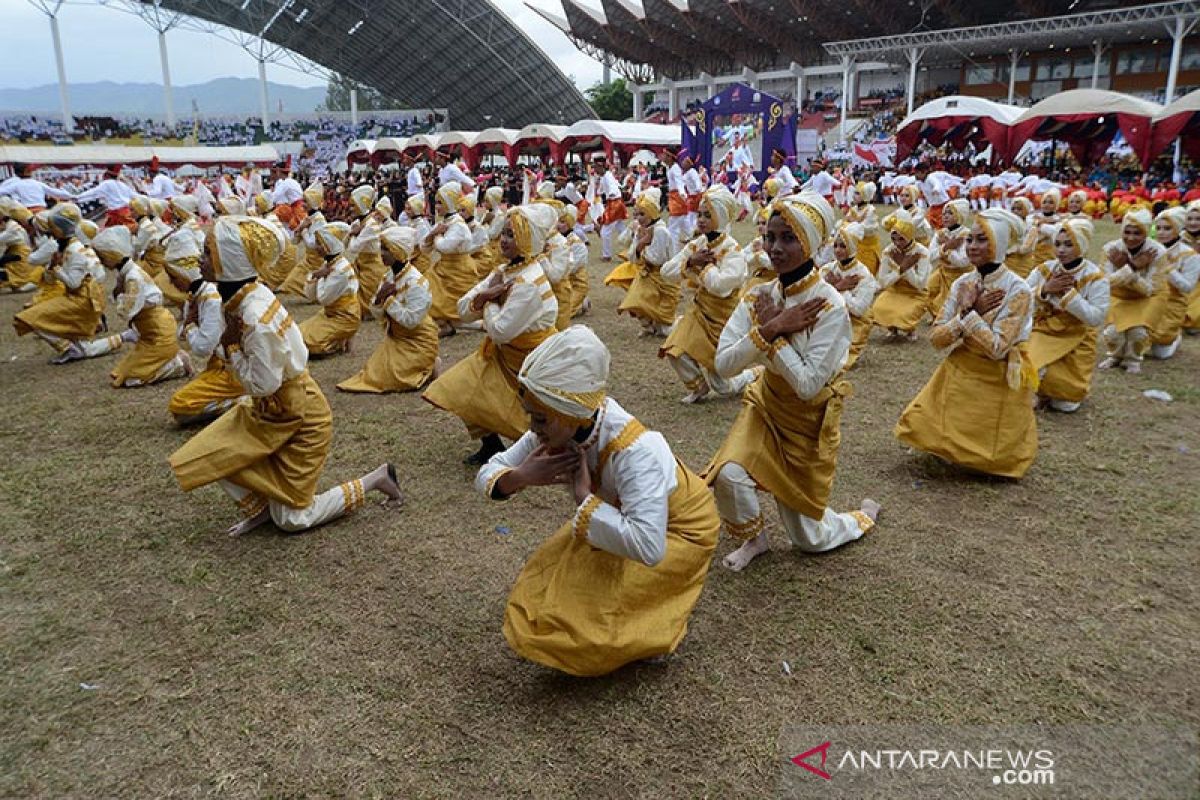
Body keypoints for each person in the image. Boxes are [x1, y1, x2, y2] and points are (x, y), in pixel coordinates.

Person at [477, 325, 719, 676]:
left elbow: (650, 546)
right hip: (618, 518)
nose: (532, 427)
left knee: (598, 622)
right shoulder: (564, 422)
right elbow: (490, 471)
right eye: (531, 414)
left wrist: (583, 499)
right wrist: (522, 477)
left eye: (539, 418)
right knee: (549, 586)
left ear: (572, 413)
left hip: (679, 533)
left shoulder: (637, 451)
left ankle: (654, 626)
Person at [168, 215, 402, 536]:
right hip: (272, 412)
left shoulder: (252, 315)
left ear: (230, 262)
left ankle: (375, 480)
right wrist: (229, 346)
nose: (200, 260)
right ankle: (264, 509)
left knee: (293, 520)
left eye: (209, 253)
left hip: (300, 419)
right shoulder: (246, 295)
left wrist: (231, 348)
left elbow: (263, 384)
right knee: (213, 453)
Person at [707, 192, 879, 572]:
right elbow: (722, 364)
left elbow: (808, 386)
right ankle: (756, 539)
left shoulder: (830, 305)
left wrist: (774, 338)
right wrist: (770, 327)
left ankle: (861, 519)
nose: (774, 247)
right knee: (730, 476)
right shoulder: (760, 296)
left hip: (807, 421)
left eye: (788, 238)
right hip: (765, 406)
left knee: (810, 541)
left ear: (813, 243)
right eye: (770, 236)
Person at [895, 208, 1038, 479]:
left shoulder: (1018, 289)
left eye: (982, 240)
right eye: (970, 239)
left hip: (998, 373)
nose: (973, 246)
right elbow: (936, 339)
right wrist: (964, 315)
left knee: (988, 458)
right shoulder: (964, 283)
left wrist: (970, 314)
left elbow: (998, 348)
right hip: (963, 363)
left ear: (1000, 244)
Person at [422, 203, 560, 465]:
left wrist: (488, 300)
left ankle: (534, 452)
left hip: (530, 360)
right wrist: (487, 297)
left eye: (512, 235)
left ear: (528, 240)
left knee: (531, 416)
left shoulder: (528, 281)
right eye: (505, 233)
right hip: (502, 353)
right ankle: (491, 445)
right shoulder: (505, 271)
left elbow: (498, 331)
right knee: (460, 387)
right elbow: (463, 308)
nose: (503, 240)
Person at [660, 185, 756, 403]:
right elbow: (667, 272)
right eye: (699, 214)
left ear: (721, 217)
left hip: (724, 319)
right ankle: (698, 387)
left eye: (707, 215)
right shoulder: (698, 245)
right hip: (698, 311)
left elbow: (722, 287)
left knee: (723, 387)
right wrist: (691, 262)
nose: (701, 220)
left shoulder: (733, 251)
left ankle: (754, 374)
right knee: (674, 347)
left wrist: (704, 268)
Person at [337, 225, 440, 393]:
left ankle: (429, 365)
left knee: (393, 379)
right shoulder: (388, 276)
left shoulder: (416, 282)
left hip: (418, 340)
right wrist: (379, 299)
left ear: (398, 252)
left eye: (386, 249)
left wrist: (389, 301)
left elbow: (411, 321)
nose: (380, 253)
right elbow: (376, 312)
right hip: (396, 339)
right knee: (372, 375)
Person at [86, 225, 190, 388]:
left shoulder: (133, 277)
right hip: (148, 333)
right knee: (119, 375)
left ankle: (177, 365)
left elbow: (126, 311)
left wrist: (119, 293)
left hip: (158, 333)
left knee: (132, 380)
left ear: (111, 255)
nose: (101, 261)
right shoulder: (129, 273)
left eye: (101, 256)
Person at [1026, 218, 1109, 413]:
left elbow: (1096, 318)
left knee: (1065, 404)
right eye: (1058, 244)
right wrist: (1045, 290)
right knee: (1030, 366)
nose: (1061, 250)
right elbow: (1017, 300)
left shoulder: (1095, 277)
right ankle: (1036, 390)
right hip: (1044, 330)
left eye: (1069, 244)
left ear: (1082, 244)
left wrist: (1069, 297)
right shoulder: (1044, 269)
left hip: (1077, 336)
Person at [167, 231, 245, 427]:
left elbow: (202, 348)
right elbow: (181, 334)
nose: (171, 283)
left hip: (233, 368)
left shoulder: (210, 297)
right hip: (219, 364)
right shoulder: (195, 296)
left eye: (173, 276)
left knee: (181, 404)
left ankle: (247, 399)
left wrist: (191, 325)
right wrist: (189, 325)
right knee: (180, 406)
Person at [12, 208, 109, 364]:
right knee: (84, 348)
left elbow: (74, 283)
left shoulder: (73, 250)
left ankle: (68, 348)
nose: (49, 231)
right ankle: (124, 337)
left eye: (52, 228)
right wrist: (54, 267)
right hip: (80, 297)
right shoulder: (69, 246)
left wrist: (56, 267)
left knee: (28, 318)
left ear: (58, 230)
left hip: (82, 300)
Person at [1099, 209, 1165, 374]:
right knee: (1112, 333)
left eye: (1137, 233)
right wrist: (1133, 267)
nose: (1131, 237)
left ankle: (1133, 359)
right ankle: (1115, 356)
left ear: (1146, 232)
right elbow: (1103, 283)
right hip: (1118, 297)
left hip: (1148, 300)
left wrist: (1127, 272)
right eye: (1127, 232)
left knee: (1138, 333)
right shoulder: (1111, 249)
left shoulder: (1158, 252)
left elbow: (1150, 289)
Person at [615, 187, 679, 337]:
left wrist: (642, 245)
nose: (638, 218)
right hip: (645, 275)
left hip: (663, 278)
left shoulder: (661, 231)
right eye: (636, 214)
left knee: (665, 329)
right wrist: (640, 243)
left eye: (642, 214)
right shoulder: (641, 229)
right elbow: (632, 255)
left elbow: (657, 259)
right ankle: (647, 325)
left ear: (652, 213)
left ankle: (668, 324)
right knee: (635, 300)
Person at [820, 221, 879, 369]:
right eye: (836, 245)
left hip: (855, 321)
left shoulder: (863, 274)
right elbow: (815, 297)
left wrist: (839, 290)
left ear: (852, 248)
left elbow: (858, 309)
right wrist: (838, 286)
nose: (838, 250)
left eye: (843, 246)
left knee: (839, 361)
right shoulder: (827, 269)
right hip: (830, 318)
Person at [423, 182, 477, 337]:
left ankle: (451, 325)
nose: (437, 206)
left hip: (458, 270)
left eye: (440, 202)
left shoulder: (458, 225)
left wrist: (437, 235)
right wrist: (433, 235)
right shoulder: (444, 223)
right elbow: (424, 248)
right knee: (431, 295)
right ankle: (444, 325)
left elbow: (444, 247)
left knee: (456, 309)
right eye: (437, 202)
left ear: (449, 203)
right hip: (444, 268)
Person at [298, 222, 360, 357]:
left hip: (344, 317)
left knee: (310, 344)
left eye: (320, 244)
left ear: (329, 245)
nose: (316, 247)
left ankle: (339, 339)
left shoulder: (340, 270)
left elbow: (322, 299)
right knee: (297, 335)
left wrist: (319, 277)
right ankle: (340, 338)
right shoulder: (329, 264)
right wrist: (316, 275)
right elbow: (310, 295)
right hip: (329, 313)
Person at [1147, 207, 1200, 360]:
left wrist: (1167, 269)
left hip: (1172, 303)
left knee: (1160, 354)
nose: (1161, 232)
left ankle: (1174, 337)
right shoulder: (1149, 248)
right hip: (1147, 300)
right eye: (1159, 228)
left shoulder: (1189, 255)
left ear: (1177, 229)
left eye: (1167, 228)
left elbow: (1187, 287)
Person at [873, 209, 932, 341]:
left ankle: (909, 329)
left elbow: (920, 284)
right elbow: (883, 282)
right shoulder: (889, 251)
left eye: (901, 239)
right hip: (894, 290)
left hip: (916, 293)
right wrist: (901, 269)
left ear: (910, 236)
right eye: (894, 238)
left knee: (903, 313)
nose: (897, 243)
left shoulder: (922, 252)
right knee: (878, 307)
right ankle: (892, 328)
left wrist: (907, 268)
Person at [926, 198, 972, 318]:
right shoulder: (940, 233)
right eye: (944, 213)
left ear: (960, 216)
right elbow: (930, 256)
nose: (945, 216)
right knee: (928, 289)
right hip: (943, 271)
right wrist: (946, 246)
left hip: (961, 275)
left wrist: (946, 249)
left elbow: (962, 261)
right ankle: (937, 316)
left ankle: (946, 319)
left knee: (951, 302)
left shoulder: (966, 235)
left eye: (950, 213)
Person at [346, 185, 387, 318]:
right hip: (361, 264)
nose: (350, 209)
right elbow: (344, 244)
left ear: (361, 205)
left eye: (353, 205)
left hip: (372, 267)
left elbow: (353, 248)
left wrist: (353, 234)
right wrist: (353, 233)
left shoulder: (370, 225)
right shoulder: (360, 222)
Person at [842, 181, 881, 274]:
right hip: (855, 246)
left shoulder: (870, 210)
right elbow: (844, 224)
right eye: (854, 193)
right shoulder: (854, 209)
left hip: (867, 247)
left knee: (866, 273)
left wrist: (853, 223)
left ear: (866, 195)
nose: (854, 196)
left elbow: (868, 229)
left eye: (858, 193)